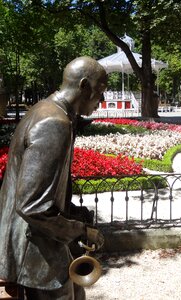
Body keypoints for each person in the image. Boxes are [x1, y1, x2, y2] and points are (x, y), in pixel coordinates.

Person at [0, 56, 107, 300]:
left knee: (77, 293)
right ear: (83, 86)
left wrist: (72, 212)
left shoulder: (44, 109)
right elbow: (32, 206)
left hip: (37, 240)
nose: (100, 103)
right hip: (35, 249)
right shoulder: (54, 123)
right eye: (99, 93)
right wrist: (81, 231)